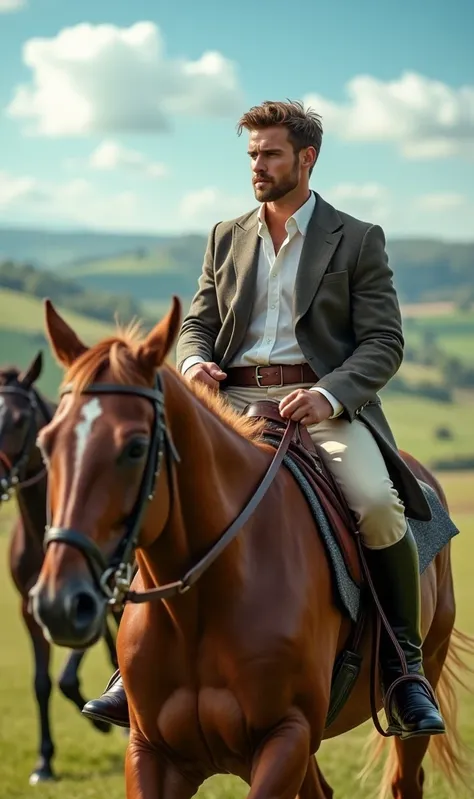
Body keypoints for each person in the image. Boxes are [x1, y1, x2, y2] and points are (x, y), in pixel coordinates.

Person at [83, 100, 445, 739]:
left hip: (319, 407)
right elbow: (197, 324)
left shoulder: (358, 238)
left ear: (307, 158)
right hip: (229, 407)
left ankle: (404, 670)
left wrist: (329, 395)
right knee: (155, 493)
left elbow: (383, 342)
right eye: (252, 153)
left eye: (270, 153)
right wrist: (194, 363)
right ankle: (128, 668)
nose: (258, 165)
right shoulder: (226, 235)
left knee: (378, 505)